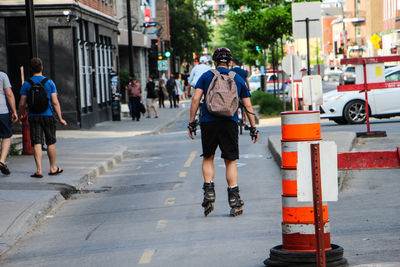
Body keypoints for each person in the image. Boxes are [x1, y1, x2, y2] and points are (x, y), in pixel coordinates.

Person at [188, 48, 259, 217]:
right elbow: (248, 106)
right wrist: (253, 127)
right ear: (230, 62)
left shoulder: (206, 76)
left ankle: (209, 190)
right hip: (230, 122)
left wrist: (192, 123)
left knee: (208, 157)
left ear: (214, 62)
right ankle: (234, 200)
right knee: (230, 161)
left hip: (208, 122)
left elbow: (196, 99)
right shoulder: (238, 78)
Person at [19, 57, 67, 178]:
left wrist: (20, 116)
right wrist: (60, 118)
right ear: (42, 68)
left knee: (37, 142)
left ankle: (39, 170)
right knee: (50, 141)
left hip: (33, 116)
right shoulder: (49, 82)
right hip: (48, 116)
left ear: (31, 69)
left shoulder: (27, 84)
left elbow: (22, 103)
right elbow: (55, 102)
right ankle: (52, 168)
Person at [0, 71, 18, 175]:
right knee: (6, 136)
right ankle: (1, 161)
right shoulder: (2, 75)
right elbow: (9, 94)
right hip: (2, 111)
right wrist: (14, 111)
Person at [231, 58, 251, 128]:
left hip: (233, 91)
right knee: (246, 106)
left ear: (233, 63)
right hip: (243, 90)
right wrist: (248, 88)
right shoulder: (243, 71)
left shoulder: (231, 71)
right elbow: (246, 81)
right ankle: (246, 122)